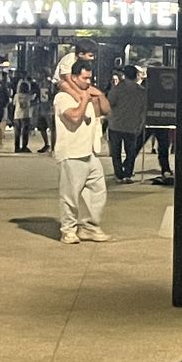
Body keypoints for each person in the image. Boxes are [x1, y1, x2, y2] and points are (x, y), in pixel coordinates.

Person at [53, 58, 112, 244]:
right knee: (70, 195)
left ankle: (89, 226)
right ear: (74, 77)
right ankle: (68, 230)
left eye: (90, 78)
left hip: (89, 152)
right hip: (71, 152)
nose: (88, 82)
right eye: (85, 78)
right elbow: (75, 118)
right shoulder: (63, 98)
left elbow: (106, 111)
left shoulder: (89, 93)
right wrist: (85, 98)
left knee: (98, 190)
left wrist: (99, 95)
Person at [106, 65, 149, 183]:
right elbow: (144, 109)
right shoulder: (142, 91)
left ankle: (119, 174)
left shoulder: (117, 88)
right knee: (131, 152)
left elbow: (109, 103)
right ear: (136, 76)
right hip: (132, 125)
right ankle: (128, 174)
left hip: (116, 124)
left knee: (116, 152)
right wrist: (141, 123)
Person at [11, 77, 36, 152]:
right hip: (25, 115)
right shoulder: (28, 96)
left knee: (17, 133)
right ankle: (24, 146)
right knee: (25, 132)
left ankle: (17, 147)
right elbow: (34, 98)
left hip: (17, 115)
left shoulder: (16, 96)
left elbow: (13, 104)